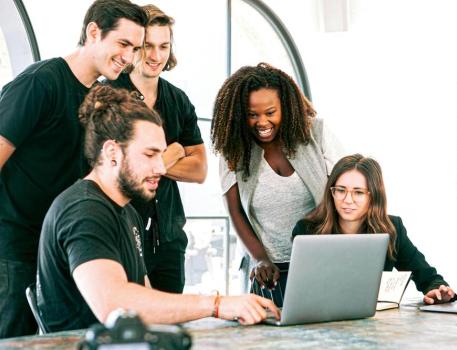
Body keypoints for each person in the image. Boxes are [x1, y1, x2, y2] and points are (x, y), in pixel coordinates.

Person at [36, 85, 279, 332]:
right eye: (150, 155)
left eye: (161, 155)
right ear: (112, 152)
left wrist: (226, 311)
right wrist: (216, 305)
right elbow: (115, 306)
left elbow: (147, 300)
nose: (162, 168)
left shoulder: (128, 212)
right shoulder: (84, 210)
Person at [0, 0, 147, 338]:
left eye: (135, 48)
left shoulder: (103, 95)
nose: (129, 57)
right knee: (13, 340)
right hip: (15, 246)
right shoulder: (40, 83)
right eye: (123, 44)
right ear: (93, 32)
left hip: (62, 247)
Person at [211, 63, 343, 305]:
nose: (262, 122)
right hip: (270, 272)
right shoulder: (233, 149)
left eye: (270, 112)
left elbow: (344, 194)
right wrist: (260, 258)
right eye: (252, 114)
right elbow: (235, 212)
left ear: (287, 107)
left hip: (323, 260)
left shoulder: (316, 133)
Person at [108, 4, 207, 294]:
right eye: (147, 46)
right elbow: (112, 168)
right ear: (134, 47)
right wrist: (174, 152)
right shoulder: (109, 96)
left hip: (169, 239)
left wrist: (149, 162)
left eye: (163, 46)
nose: (156, 56)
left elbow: (200, 170)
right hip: (121, 234)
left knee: (169, 329)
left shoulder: (178, 100)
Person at [292, 154, 457, 304]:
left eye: (358, 192)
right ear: (331, 192)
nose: (347, 200)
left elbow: (427, 276)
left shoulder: (392, 229)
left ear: (373, 196)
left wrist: (437, 289)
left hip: (372, 323)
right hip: (318, 320)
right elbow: (300, 290)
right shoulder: (307, 230)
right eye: (341, 190)